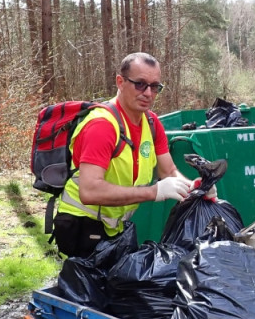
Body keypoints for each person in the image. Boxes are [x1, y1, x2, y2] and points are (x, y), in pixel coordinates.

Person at [52, 51, 212, 259]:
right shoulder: (101, 126)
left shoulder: (152, 124)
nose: (148, 93)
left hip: (115, 228)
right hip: (80, 228)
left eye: (155, 87)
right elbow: (89, 192)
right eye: (140, 84)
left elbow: (169, 171)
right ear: (120, 82)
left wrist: (195, 189)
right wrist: (153, 192)